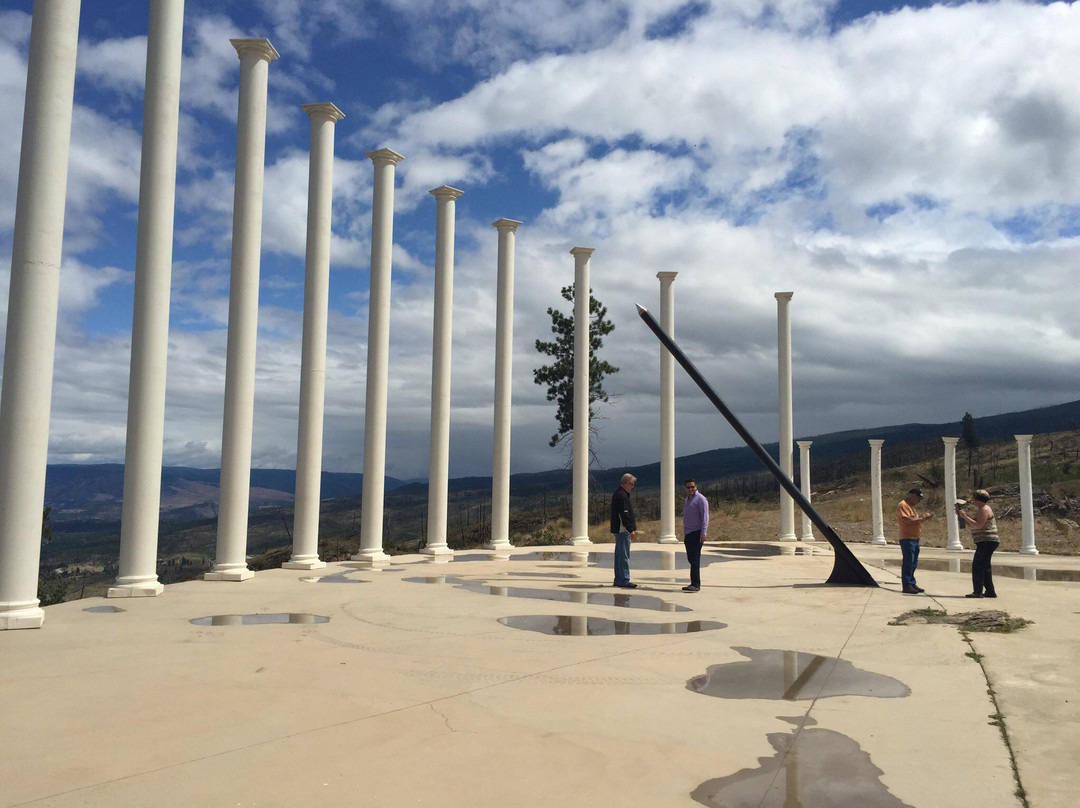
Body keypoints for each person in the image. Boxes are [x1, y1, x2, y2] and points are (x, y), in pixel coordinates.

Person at [958, 489, 998, 598]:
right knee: (985, 566)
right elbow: (974, 524)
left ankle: (977, 591)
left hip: (987, 540)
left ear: (977, 499)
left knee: (978, 565)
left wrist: (965, 516)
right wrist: (963, 518)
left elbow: (978, 525)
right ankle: (990, 591)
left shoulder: (984, 510)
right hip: (986, 541)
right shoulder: (982, 509)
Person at [897, 488, 933, 594]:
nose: (919, 501)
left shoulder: (911, 507)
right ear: (912, 496)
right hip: (907, 538)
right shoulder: (903, 505)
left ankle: (912, 583)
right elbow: (906, 520)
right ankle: (907, 585)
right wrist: (921, 518)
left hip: (914, 538)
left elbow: (914, 520)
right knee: (908, 562)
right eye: (918, 498)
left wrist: (922, 518)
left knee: (913, 562)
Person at [609, 473, 638, 588]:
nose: (633, 487)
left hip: (619, 529)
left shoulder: (619, 494)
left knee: (620, 555)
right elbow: (624, 514)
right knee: (624, 555)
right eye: (632, 484)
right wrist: (630, 529)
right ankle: (624, 579)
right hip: (622, 530)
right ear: (626, 483)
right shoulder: (622, 495)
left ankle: (619, 578)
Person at [682, 478, 709, 592]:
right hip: (688, 533)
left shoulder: (701, 499)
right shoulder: (687, 499)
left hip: (697, 532)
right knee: (691, 558)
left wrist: (703, 532)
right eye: (688, 487)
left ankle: (696, 584)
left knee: (694, 558)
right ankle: (693, 583)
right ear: (685, 488)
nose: (691, 489)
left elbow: (705, 517)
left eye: (692, 487)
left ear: (696, 487)